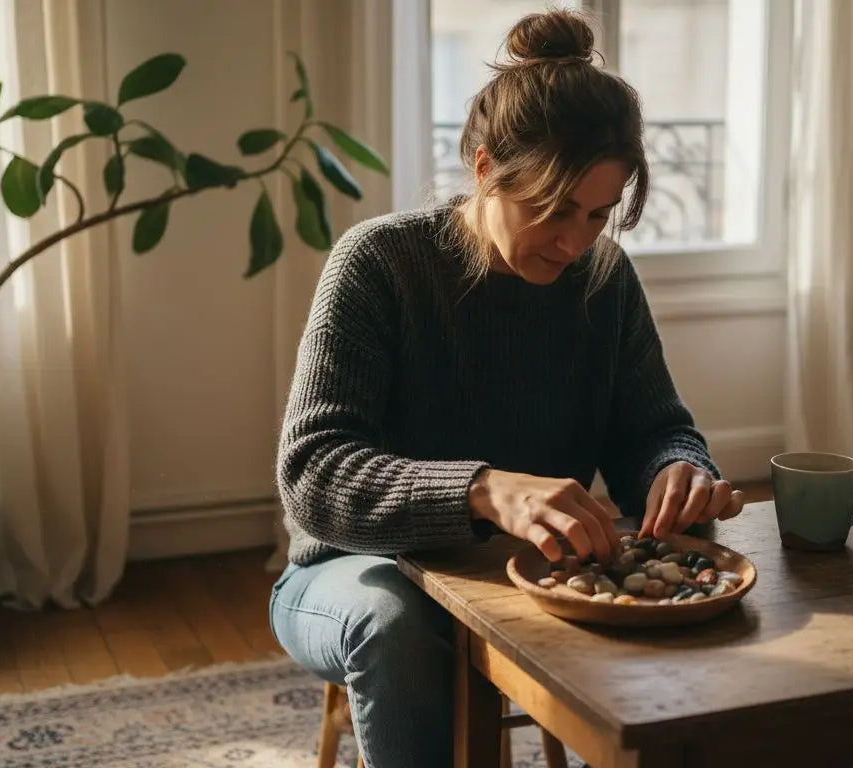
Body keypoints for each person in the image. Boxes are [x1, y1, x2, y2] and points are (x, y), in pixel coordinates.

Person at [268, 9, 745, 767]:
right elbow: (313, 476)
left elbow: (652, 428)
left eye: (599, 214)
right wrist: (484, 491)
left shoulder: (603, 278)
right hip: (354, 570)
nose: (575, 241)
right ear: (487, 167)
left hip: (527, 576)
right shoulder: (379, 263)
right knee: (398, 626)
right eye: (553, 210)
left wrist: (677, 470)